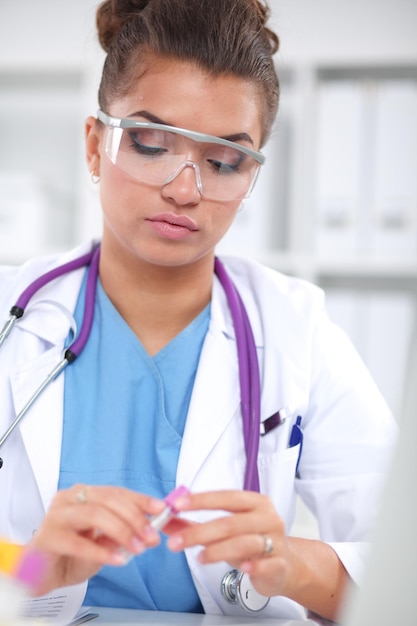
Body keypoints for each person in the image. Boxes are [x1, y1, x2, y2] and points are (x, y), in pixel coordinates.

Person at [0, 0, 396, 622]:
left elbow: (401, 570)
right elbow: (16, 582)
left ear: (253, 174)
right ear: (93, 145)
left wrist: (292, 564)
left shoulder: (298, 330)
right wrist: (32, 572)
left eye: (224, 161)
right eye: (150, 144)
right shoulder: (10, 317)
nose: (185, 190)